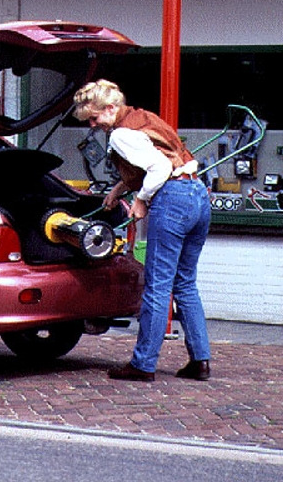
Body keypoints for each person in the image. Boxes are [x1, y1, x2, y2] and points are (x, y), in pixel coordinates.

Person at [73, 79, 211, 382]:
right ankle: (200, 360)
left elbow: (159, 170)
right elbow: (161, 157)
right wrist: (120, 188)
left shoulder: (121, 134)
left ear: (111, 108)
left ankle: (143, 364)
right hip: (198, 194)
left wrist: (140, 200)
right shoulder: (144, 118)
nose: (94, 126)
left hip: (172, 199)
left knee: (157, 285)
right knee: (185, 283)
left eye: (95, 118)